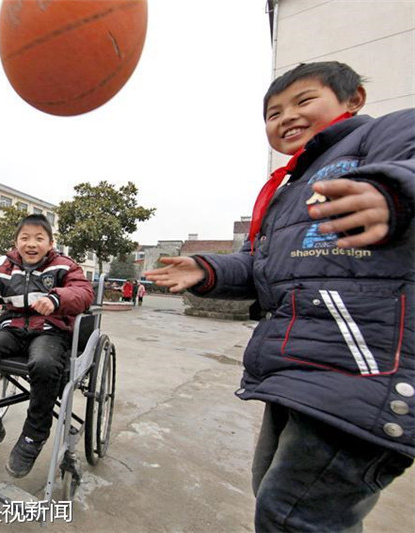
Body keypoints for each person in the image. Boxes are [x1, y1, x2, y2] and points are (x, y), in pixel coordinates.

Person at [146, 62, 414, 532]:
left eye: (304, 101)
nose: (286, 117)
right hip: (299, 367)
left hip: (367, 371)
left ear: (353, 100)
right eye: (273, 112)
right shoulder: (285, 192)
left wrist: (393, 194)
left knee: (291, 514)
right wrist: (206, 267)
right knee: (274, 495)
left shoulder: (385, 136)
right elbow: (257, 265)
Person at [0, 214, 93, 478]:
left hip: (50, 331)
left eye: (39, 238)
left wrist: (57, 299)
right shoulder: (1, 264)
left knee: (44, 364)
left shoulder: (65, 266)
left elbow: (83, 293)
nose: (32, 244)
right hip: (12, 327)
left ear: (51, 243)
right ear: (16, 241)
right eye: (25, 238)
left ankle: (34, 435)